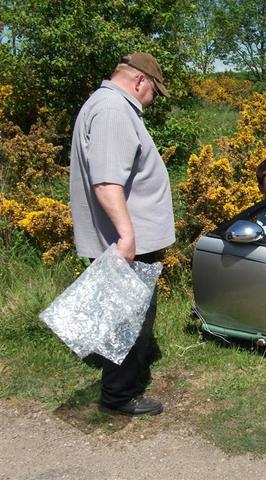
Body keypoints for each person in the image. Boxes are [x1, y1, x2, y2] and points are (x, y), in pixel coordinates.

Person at [69, 52, 175, 416]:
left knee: (122, 315)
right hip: (129, 242)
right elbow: (106, 180)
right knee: (130, 319)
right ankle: (119, 395)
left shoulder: (108, 106)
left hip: (127, 238)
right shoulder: (113, 111)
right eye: (154, 92)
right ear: (140, 81)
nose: (153, 100)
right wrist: (127, 236)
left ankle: (119, 377)